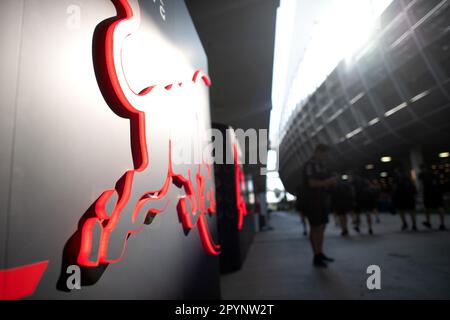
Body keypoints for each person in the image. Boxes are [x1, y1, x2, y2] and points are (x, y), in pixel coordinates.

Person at [302, 144, 338, 268]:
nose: (326, 157)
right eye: (324, 154)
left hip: (322, 200)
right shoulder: (309, 165)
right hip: (312, 201)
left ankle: (320, 252)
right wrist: (328, 182)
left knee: (322, 226)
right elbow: (311, 183)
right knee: (315, 227)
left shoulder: (322, 166)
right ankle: (316, 255)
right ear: (317, 152)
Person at [419, 164, 446, 230]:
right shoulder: (433, 173)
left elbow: (421, 184)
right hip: (437, 191)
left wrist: (421, 193)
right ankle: (442, 224)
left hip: (428, 192)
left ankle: (428, 222)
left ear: (421, 168)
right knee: (440, 206)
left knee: (427, 207)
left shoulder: (421, 174)